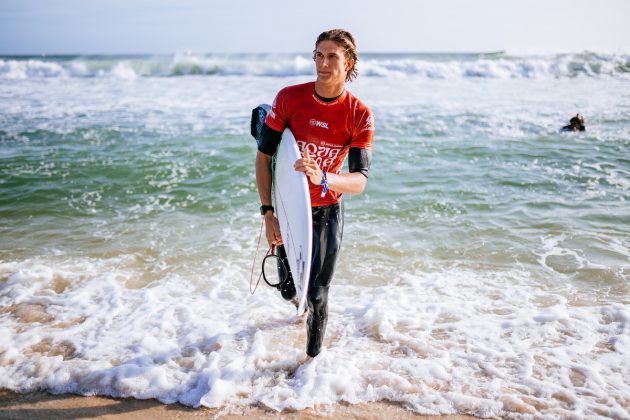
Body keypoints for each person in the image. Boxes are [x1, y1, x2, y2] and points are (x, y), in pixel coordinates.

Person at [254, 29, 375, 361]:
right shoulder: (290, 99)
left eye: (332, 56)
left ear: (349, 63)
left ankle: (310, 364)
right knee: (290, 290)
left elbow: (359, 181)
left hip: (326, 210)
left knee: (318, 295)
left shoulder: (359, 115)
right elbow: (264, 157)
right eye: (318, 55)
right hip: (289, 207)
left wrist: (323, 177)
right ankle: (297, 303)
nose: (323, 64)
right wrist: (268, 213)